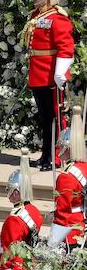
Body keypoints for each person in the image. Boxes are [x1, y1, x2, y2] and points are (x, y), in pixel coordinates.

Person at [22, 0, 75, 171]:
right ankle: (45, 156)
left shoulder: (58, 17)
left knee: (56, 118)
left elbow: (66, 46)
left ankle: (56, 156)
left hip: (52, 75)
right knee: (45, 118)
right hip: (38, 75)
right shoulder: (36, 15)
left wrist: (61, 71)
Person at [50, 107, 87, 252]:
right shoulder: (84, 167)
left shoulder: (66, 177)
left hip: (71, 231)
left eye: (60, 145)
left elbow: (63, 212)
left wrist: (53, 241)